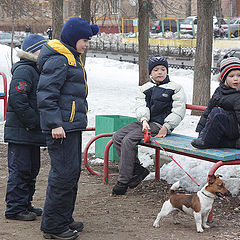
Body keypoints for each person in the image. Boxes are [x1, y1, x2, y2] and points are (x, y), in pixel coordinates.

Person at [37, 17, 99, 240]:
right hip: (60, 128)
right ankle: (53, 226)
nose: (87, 44)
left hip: (70, 126)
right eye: (85, 40)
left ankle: (63, 218)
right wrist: (55, 123)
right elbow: (46, 94)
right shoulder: (60, 59)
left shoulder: (72, 57)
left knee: (71, 174)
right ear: (73, 39)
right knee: (63, 175)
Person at [112, 55, 186, 195]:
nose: (160, 72)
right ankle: (138, 170)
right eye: (156, 69)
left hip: (160, 125)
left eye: (163, 69)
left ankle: (123, 181)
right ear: (150, 73)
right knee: (117, 136)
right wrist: (144, 120)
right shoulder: (145, 88)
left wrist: (166, 126)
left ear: (167, 71)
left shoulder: (175, 88)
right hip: (145, 122)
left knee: (129, 140)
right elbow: (141, 106)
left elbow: (178, 110)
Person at [4, 34, 47, 221]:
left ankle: (25, 203)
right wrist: (32, 122)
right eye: (42, 49)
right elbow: (18, 99)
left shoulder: (35, 69)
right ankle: (14, 208)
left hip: (30, 132)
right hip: (21, 131)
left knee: (31, 169)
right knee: (20, 170)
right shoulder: (24, 70)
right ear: (33, 51)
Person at [191, 57, 240, 149]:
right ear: (224, 78)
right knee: (214, 111)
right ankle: (206, 138)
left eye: (239, 76)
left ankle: (206, 141)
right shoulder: (219, 91)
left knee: (217, 112)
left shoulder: (238, 96)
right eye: (231, 76)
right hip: (222, 130)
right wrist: (201, 130)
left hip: (235, 130)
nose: (236, 79)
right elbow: (208, 111)